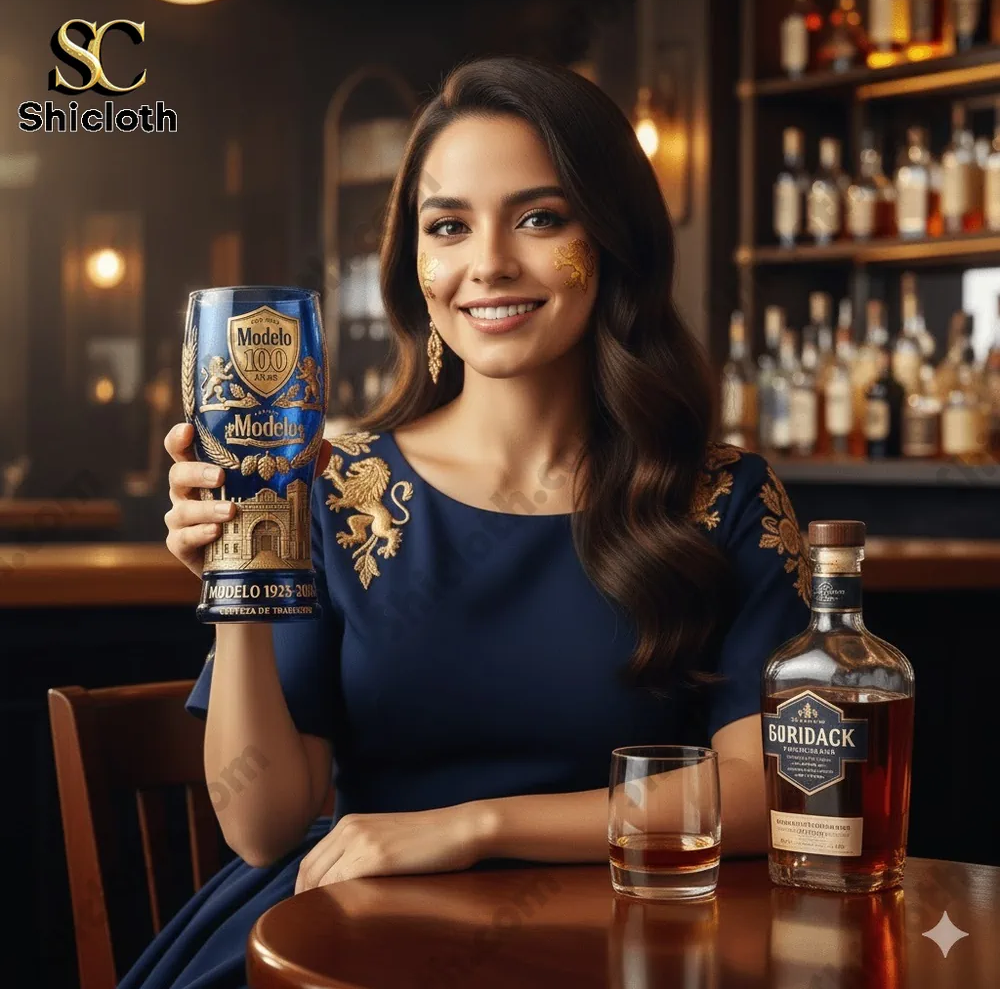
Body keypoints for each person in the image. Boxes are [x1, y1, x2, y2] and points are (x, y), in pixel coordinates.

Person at [120, 55, 810, 989]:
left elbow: (775, 786)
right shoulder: (334, 487)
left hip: (630, 949)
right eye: (448, 226)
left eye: (539, 218)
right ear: (416, 263)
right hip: (342, 943)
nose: (487, 264)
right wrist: (238, 579)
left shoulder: (720, 500)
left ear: (613, 239)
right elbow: (262, 826)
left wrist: (476, 827)